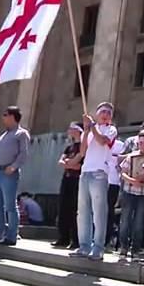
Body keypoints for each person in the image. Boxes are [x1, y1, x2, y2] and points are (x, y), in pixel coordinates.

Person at [70, 102, 118, 261]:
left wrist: (92, 127)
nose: (105, 114)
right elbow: (83, 150)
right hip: (85, 172)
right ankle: (84, 245)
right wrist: (86, 130)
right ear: (97, 114)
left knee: (99, 212)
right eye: (102, 111)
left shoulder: (110, 129)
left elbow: (103, 141)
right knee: (82, 211)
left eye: (108, 113)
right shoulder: (90, 130)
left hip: (99, 173)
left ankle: (98, 247)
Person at [0, 106, 29, 246]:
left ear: (13, 116)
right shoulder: (3, 135)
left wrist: (14, 166)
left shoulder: (21, 133)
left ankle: (11, 236)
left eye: (5, 114)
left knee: (10, 206)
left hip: (9, 173)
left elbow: (24, 154)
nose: (3, 117)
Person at [118, 129, 144, 260]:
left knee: (139, 222)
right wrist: (133, 181)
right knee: (125, 220)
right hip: (129, 191)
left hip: (143, 193)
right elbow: (123, 173)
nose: (143, 145)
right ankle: (123, 248)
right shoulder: (131, 156)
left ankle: (136, 249)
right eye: (141, 142)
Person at [52, 122, 83, 249]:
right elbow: (61, 161)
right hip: (67, 178)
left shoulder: (83, 147)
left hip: (77, 180)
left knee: (75, 209)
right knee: (63, 208)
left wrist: (69, 164)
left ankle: (75, 239)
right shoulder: (69, 148)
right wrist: (69, 164)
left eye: (72, 128)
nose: (69, 130)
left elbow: (79, 166)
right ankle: (62, 237)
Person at [106, 136, 125, 248]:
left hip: (113, 182)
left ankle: (107, 240)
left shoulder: (120, 145)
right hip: (100, 179)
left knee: (109, 212)